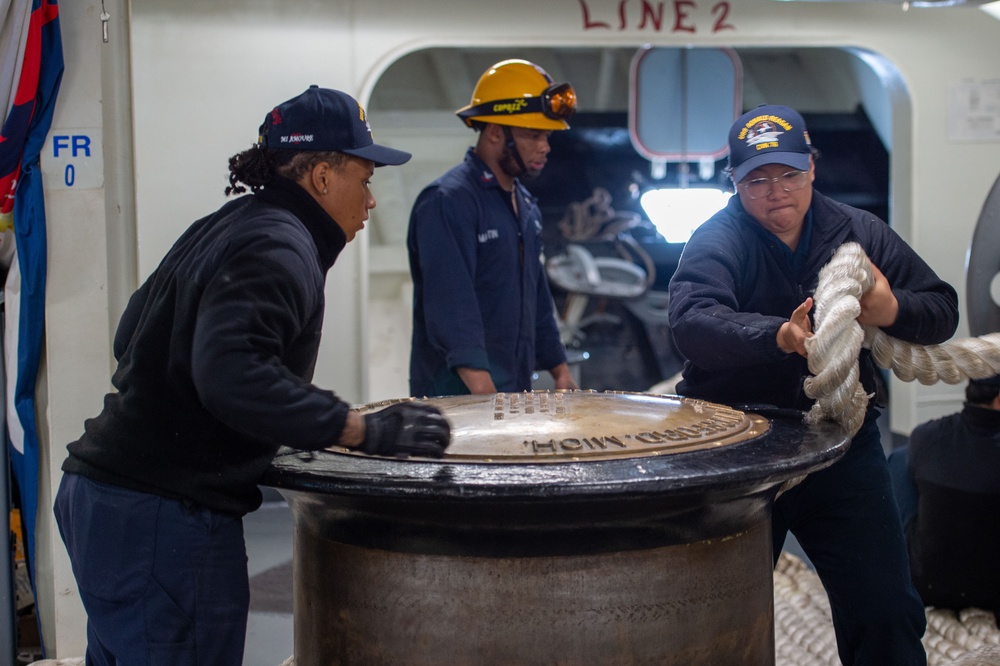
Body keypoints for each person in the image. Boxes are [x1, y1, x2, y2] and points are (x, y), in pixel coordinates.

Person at [52, 85, 451, 665]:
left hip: (105, 498)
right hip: (164, 515)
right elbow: (233, 375)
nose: (369, 202)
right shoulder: (279, 246)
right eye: (364, 180)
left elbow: (132, 334)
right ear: (320, 176)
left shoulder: (232, 223)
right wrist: (362, 430)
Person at [667, 104, 959, 665]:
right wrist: (779, 336)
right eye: (757, 179)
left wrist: (888, 305)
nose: (776, 191)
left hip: (839, 441)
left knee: (885, 608)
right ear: (735, 183)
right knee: (708, 613)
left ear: (812, 170)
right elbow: (692, 321)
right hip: (736, 450)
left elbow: (941, 307)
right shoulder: (718, 238)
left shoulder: (859, 233)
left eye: (788, 174)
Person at [407, 59, 580, 396]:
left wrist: (560, 369)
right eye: (533, 135)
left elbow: (536, 295)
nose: (545, 146)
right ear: (496, 132)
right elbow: (452, 305)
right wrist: (485, 398)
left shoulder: (524, 203)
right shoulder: (449, 201)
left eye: (547, 135)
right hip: (458, 398)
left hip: (508, 392)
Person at [888, 374, 1000, 618]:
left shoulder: (927, 435)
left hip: (926, 585)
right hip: (993, 592)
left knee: (899, 459)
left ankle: (892, 572)